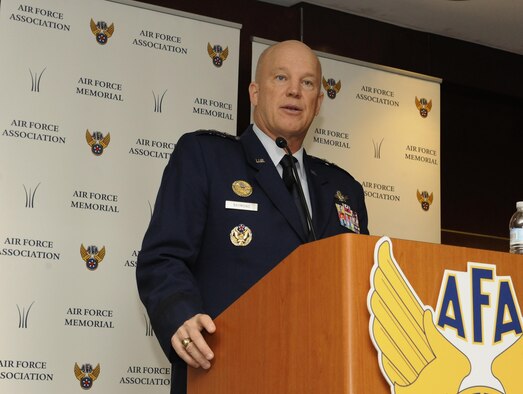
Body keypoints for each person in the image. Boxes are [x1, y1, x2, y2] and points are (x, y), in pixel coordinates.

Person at [136, 40, 369, 394]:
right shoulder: (206, 157)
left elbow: (359, 286)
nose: (294, 90)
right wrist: (180, 316)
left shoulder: (344, 188)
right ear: (255, 92)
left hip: (323, 377)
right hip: (226, 373)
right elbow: (162, 258)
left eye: (307, 83)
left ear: (318, 103)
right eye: (280, 77)